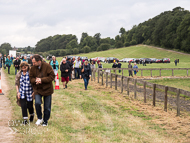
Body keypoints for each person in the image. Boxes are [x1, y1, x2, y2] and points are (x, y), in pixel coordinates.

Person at [29, 54, 55, 126]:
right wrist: (36, 81)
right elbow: (31, 78)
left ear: (39, 61)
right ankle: (39, 118)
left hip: (47, 89)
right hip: (37, 89)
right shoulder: (32, 68)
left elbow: (52, 76)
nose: (33, 64)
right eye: (32, 62)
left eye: (34, 62)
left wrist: (42, 80)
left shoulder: (48, 66)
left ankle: (45, 120)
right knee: (37, 103)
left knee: (47, 107)